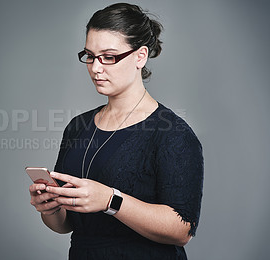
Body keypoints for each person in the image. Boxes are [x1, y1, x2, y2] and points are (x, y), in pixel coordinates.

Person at [29, 3, 203, 259]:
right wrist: (50, 208)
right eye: (90, 55)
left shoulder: (172, 133)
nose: (96, 68)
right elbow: (65, 225)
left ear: (140, 56)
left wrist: (111, 200)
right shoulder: (78, 127)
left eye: (109, 57)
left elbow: (182, 229)